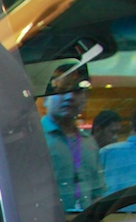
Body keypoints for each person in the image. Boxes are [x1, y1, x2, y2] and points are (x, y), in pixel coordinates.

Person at [40, 63, 103, 213]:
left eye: (77, 91)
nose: (69, 97)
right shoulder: (32, 140)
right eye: (62, 90)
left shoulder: (89, 142)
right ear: (45, 99)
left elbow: (97, 193)